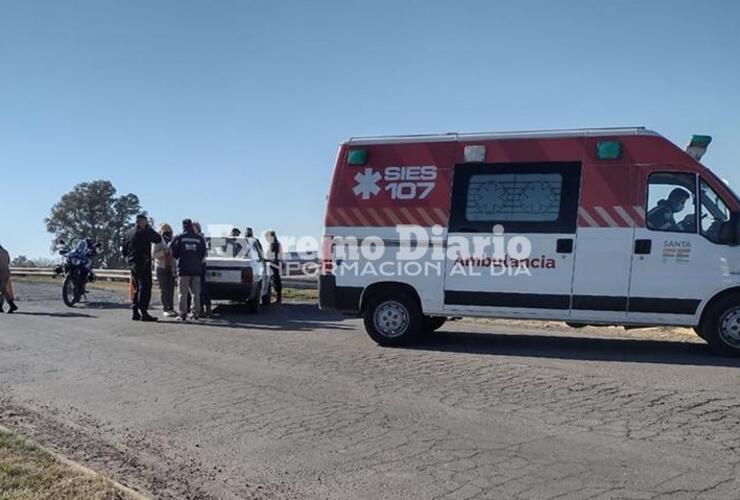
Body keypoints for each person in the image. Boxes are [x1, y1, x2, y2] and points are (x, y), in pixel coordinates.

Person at [122, 214, 162, 321]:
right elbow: (158, 238)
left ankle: (135, 311)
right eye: (146, 221)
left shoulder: (128, 233)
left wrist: (129, 259)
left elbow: (124, 251)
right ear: (142, 222)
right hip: (143, 263)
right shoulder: (144, 232)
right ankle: (144, 312)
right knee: (145, 287)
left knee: (136, 288)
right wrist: (149, 229)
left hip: (132, 263)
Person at [171, 219, 206, 321]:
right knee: (196, 292)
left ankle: (183, 314)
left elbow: (174, 252)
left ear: (183, 226)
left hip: (183, 269)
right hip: (196, 269)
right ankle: (195, 313)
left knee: (183, 293)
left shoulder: (179, 238)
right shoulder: (199, 239)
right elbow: (203, 253)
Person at [153, 223, 177, 318]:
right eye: (165, 229)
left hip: (171, 267)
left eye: (169, 229)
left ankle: (171, 308)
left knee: (171, 289)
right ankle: (165, 308)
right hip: (161, 267)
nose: (168, 231)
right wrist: (164, 252)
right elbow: (153, 255)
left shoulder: (173, 240)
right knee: (164, 289)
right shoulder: (158, 240)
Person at [192, 222, 212, 317]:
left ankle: (206, 308)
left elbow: (204, 253)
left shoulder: (200, 238)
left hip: (200, 265)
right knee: (196, 288)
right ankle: (200, 308)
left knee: (201, 287)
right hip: (194, 265)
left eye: (194, 227)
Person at [265, 230, 283, 304]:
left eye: (267, 237)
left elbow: (271, 255)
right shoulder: (276, 243)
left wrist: (267, 259)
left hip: (274, 264)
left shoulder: (273, 244)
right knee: (276, 280)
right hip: (276, 263)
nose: (266, 239)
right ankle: (278, 297)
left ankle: (278, 298)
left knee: (275, 280)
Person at [0, 244, 18, 313]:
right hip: (6, 271)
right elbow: (8, 261)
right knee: (2, 290)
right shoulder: (5, 251)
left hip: (0, 272)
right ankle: (1, 306)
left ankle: (12, 305)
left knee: (2, 290)